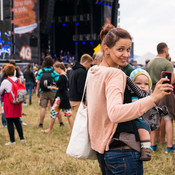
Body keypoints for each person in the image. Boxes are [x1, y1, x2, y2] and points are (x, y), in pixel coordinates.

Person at [86, 27, 173, 174]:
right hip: (123, 151)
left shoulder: (94, 71)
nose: (126, 54)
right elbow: (114, 113)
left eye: (128, 50)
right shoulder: (115, 74)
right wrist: (153, 98)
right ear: (106, 49)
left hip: (103, 149)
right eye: (120, 49)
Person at [147, 42, 175, 153]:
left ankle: (153, 145)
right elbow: (171, 80)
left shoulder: (150, 63)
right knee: (168, 119)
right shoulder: (167, 63)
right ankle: (169, 147)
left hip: (153, 91)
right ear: (165, 50)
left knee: (154, 118)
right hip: (165, 91)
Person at [41, 62, 73, 134]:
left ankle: (49, 129)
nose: (54, 70)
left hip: (60, 98)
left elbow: (61, 88)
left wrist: (53, 88)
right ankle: (72, 130)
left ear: (59, 68)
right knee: (68, 113)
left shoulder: (62, 76)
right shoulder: (64, 75)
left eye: (55, 69)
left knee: (53, 112)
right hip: (64, 97)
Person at [0, 64, 25, 145]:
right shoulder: (18, 80)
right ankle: (22, 138)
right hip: (17, 102)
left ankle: (12, 141)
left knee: (9, 121)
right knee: (17, 120)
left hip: (8, 102)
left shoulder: (5, 81)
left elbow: (0, 92)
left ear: (6, 72)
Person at [36, 56, 59, 128]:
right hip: (53, 91)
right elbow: (57, 81)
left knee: (43, 107)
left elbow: (38, 82)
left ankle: (41, 123)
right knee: (56, 107)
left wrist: (37, 91)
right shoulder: (54, 72)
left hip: (43, 91)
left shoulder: (40, 71)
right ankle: (61, 122)